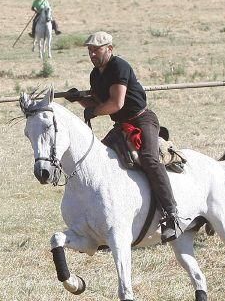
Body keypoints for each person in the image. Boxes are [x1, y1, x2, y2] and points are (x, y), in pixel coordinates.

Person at [74, 31, 183, 242]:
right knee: (98, 160)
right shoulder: (95, 75)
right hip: (121, 124)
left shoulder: (119, 67)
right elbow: (99, 105)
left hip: (142, 120)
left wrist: (93, 111)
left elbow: (116, 104)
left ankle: (172, 215)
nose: (92, 54)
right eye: (90, 50)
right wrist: (78, 98)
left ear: (110, 49)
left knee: (150, 160)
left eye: (96, 50)